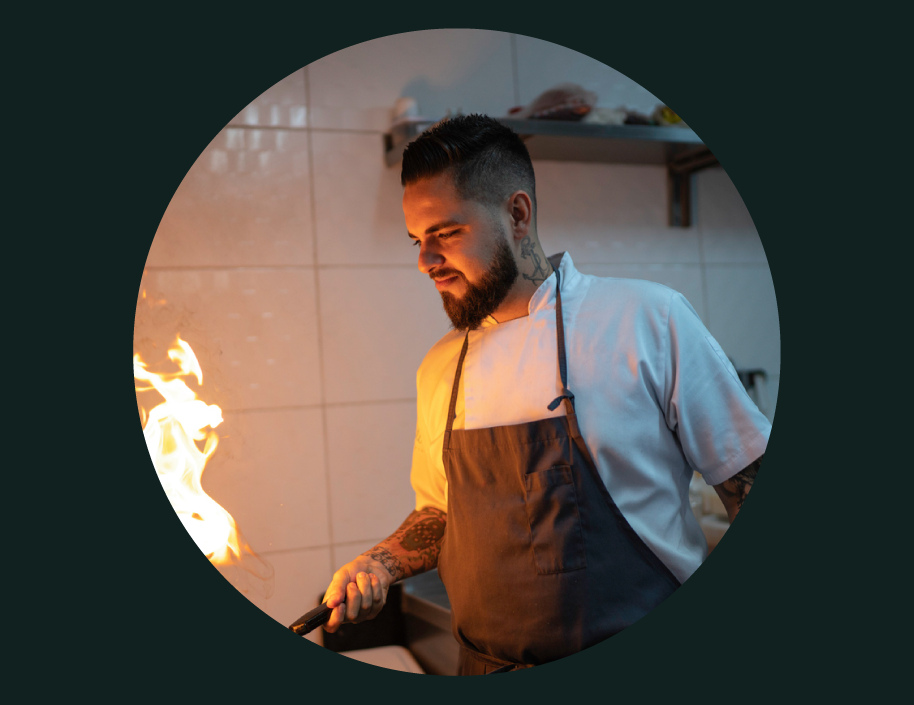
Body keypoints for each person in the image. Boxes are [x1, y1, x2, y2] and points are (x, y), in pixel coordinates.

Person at [319, 114, 771, 674]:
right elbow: (439, 511)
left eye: (446, 233)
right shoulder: (441, 368)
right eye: (417, 240)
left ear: (517, 214)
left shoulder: (645, 319)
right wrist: (379, 564)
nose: (426, 262)